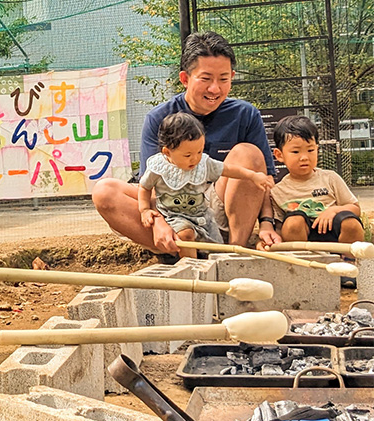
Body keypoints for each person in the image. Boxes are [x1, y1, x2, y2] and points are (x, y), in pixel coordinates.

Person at [93, 31, 279, 255]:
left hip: (217, 210)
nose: (215, 89)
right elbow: (149, 185)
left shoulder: (245, 114)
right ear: (185, 78)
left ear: (232, 76)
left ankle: (234, 254)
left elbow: (264, 180)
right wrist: (159, 222)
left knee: (249, 154)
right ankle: (180, 249)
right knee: (105, 191)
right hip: (171, 208)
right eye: (206, 79)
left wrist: (267, 223)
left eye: (223, 79)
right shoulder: (158, 118)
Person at [138, 112, 274, 256]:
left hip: (201, 214)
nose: (195, 158)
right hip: (173, 215)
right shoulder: (159, 168)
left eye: (199, 151)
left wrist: (252, 175)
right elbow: (144, 187)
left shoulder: (203, 163)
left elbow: (227, 170)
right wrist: (145, 209)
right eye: (188, 155)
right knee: (185, 234)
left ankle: (217, 260)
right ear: (167, 152)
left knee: (215, 245)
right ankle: (191, 266)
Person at [268, 116, 363, 249]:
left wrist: (334, 210)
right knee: (293, 222)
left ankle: (349, 263)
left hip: (336, 236)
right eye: (295, 151)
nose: (304, 157)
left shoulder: (330, 178)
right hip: (303, 240)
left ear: (317, 149)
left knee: (351, 223)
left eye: (310, 150)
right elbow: (279, 228)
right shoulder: (277, 191)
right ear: (279, 155)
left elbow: (355, 208)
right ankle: (302, 265)